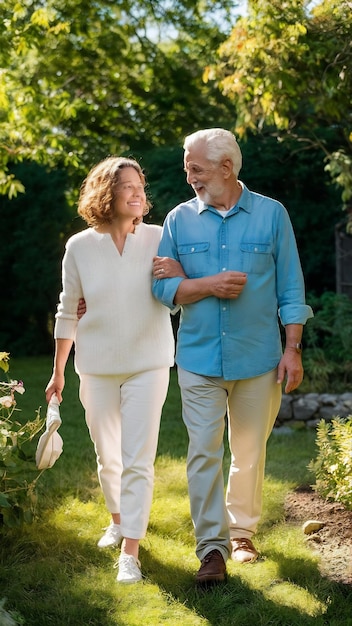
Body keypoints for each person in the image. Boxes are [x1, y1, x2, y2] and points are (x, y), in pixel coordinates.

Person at [152, 128, 313, 585]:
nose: (190, 178)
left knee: (248, 452)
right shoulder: (179, 221)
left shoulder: (272, 215)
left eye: (196, 169)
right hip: (199, 359)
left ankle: (241, 533)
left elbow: (291, 288)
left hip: (259, 358)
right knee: (203, 453)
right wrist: (206, 285)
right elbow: (162, 288)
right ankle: (212, 549)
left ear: (227, 167)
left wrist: (292, 349)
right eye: (187, 168)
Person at [45, 156, 182, 584]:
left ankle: (131, 552)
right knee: (109, 456)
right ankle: (117, 518)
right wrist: (58, 372)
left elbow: (174, 298)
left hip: (150, 362)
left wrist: (177, 275)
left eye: (141, 185)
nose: (138, 192)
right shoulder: (79, 247)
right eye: (127, 186)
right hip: (97, 365)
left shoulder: (162, 237)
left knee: (138, 457)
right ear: (107, 193)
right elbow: (68, 310)